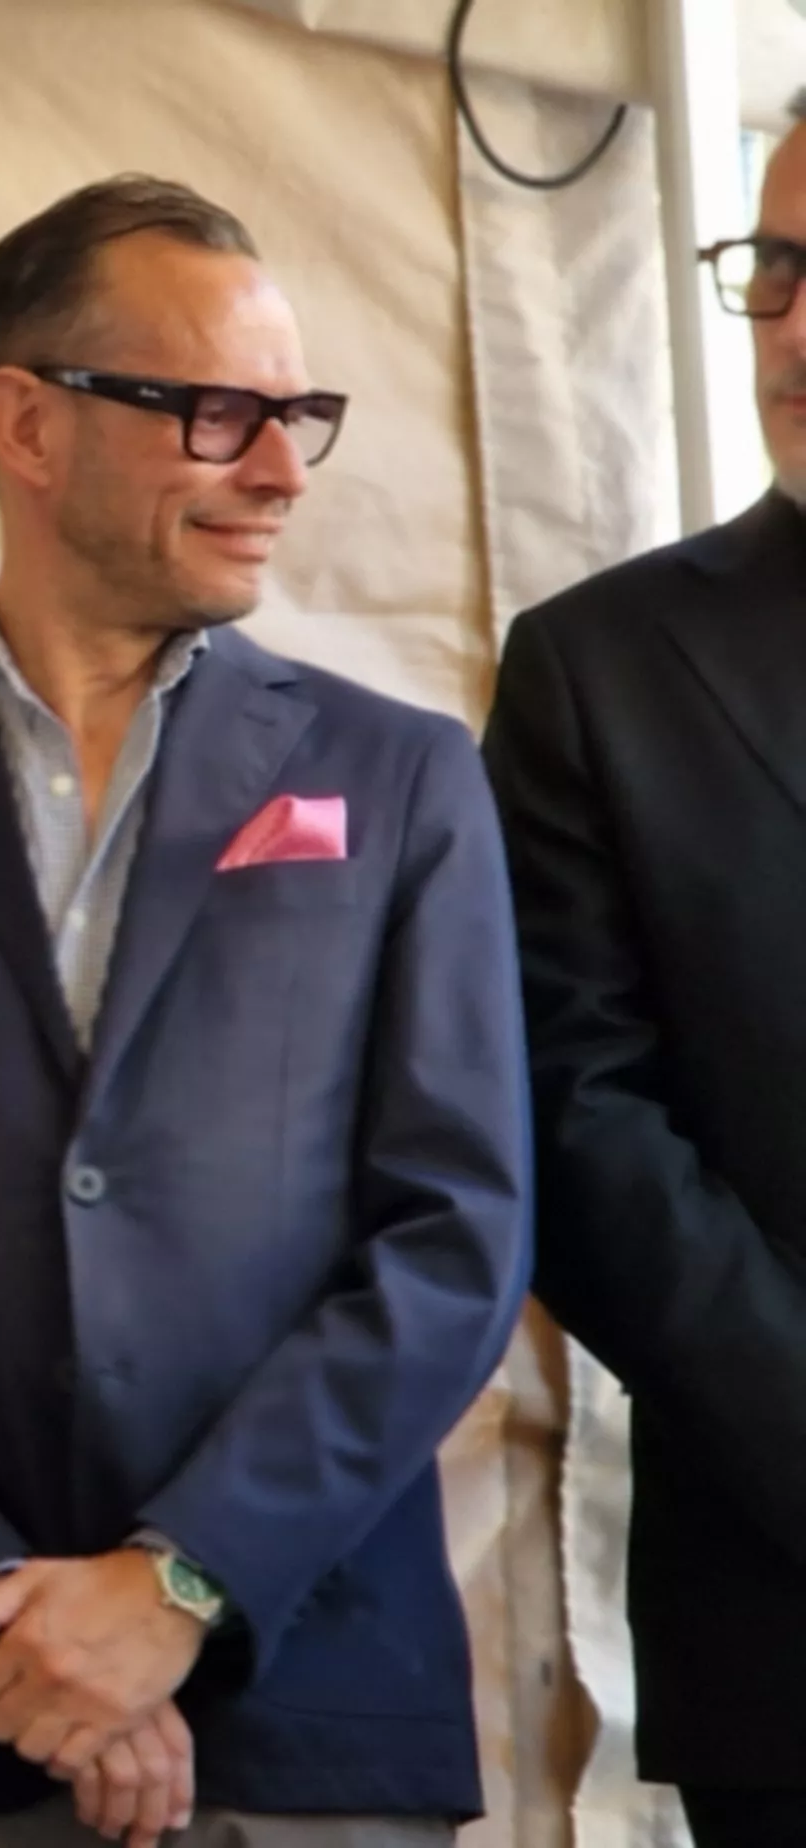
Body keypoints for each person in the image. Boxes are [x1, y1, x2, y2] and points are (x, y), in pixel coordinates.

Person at [0, 175, 527, 1848]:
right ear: (28, 423)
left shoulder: (403, 776)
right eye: (219, 414)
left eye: (297, 416)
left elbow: (456, 1239)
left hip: (314, 1715)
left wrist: (179, 1583)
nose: (280, 470)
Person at [485, 111, 806, 1848]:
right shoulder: (600, 669)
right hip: (787, 1614)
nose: (798, 329)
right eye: (779, 271)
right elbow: (576, 1123)